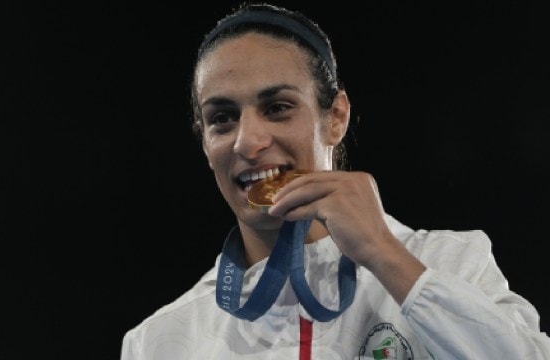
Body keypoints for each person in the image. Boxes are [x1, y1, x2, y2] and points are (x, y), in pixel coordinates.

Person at [121, 2, 550, 359]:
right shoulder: (160, 341)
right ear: (205, 143)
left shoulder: (451, 264)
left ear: (337, 117)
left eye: (277, 108)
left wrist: (384, 255)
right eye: (222, 118)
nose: (247, 142)